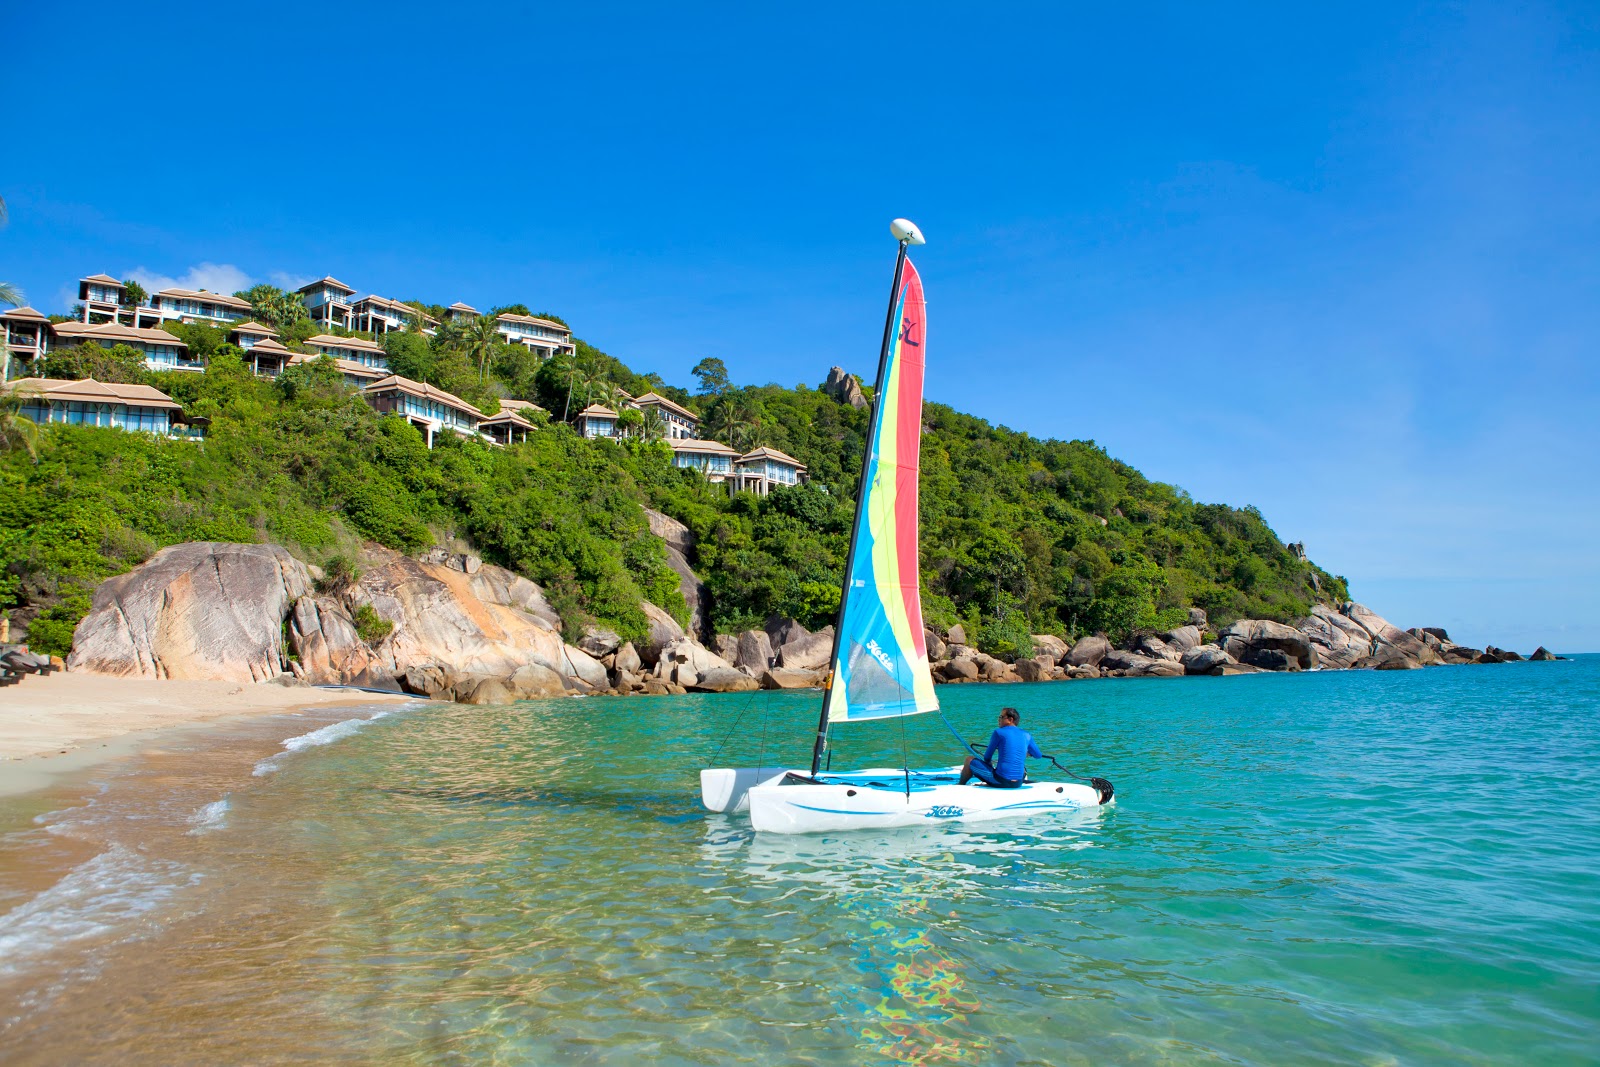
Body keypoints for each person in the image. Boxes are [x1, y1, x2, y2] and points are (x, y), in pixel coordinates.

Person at [960, 707, 1042, 788]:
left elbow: (987, 757)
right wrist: (1027, 753)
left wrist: (989, 766)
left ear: (1010, 719)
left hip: (1001, 780)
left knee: (969, 760)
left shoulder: (998, 732)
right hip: (1019, 782)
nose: (999, 719)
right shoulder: (1027, 734)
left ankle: (960, 785)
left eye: (1001, 717)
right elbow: (1038, 755)